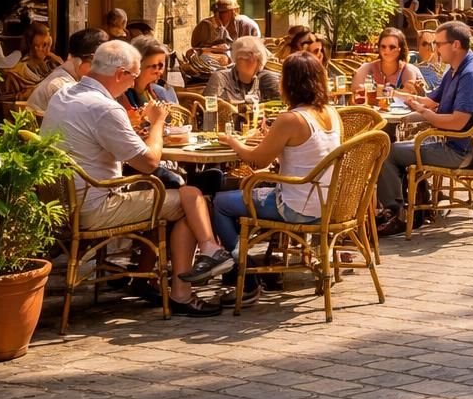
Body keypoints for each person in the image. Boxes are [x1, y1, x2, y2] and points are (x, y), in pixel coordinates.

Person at [41, 40, 227, 315]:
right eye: (133, 75)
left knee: (178, 194)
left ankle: (159, 272)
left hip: (61, 202)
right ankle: (183, 291)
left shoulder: (65, 93)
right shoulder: (105, 107)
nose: (133, 82)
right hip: (95, 205)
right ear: (119, 74)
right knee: (191, 199)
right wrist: (157, 122)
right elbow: (150, 162)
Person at [210, 53, 342, 281]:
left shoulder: (291, 119)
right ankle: (249, 263)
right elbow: (308, 154)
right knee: (245, 194)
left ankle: (243, 271)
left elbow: (257, 161)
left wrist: (234, 142)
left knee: (220, 203)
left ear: (288, 83)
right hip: (328, 203)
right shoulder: (332, 113)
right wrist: (272, 140)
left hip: (297, 206)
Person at [377, 21, 473, 236]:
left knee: (388, 152)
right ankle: (411, 208)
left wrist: (426, 115)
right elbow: (431, 101)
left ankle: (397, 214)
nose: (434, 50)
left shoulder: (471, 75)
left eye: (439, 44)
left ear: (456, 45)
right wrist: (401, 96)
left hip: (461, 151)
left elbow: (457, 122)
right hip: (456, 143)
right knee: (399, 147)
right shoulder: (456, 69)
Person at [26, 28, 106, 113]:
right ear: (80, 60)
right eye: (97, 64)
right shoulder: (63, 86)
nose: (100, 71)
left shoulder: (65, 76)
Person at [204, 36, 281, 105]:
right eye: (241, 56)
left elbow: (277, 108)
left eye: (250, 56)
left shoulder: (267, 79)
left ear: (259, 60)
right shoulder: (221, 77)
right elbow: (208, 106)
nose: (245, 59)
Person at [351, 27, 425, 95]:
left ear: (400, 49)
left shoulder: (408, 70)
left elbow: (409, 97)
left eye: (392, 47)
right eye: (383, 46)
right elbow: (356, 91)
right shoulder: (367, 67)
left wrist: (379, 91)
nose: (387, 50)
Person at [191, 0, 259, 56]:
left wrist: (229, 49)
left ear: (234, 11)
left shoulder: (246, 25)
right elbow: (196, 49)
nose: (218, 15)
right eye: (216, 12)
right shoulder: (205, 25)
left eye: (223, 12)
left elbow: (254, 51)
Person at [126, 37, 179, 106]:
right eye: (154, 65)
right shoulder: (124, 94)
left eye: (161, 66)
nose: (160, 72)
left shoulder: (156, 91)